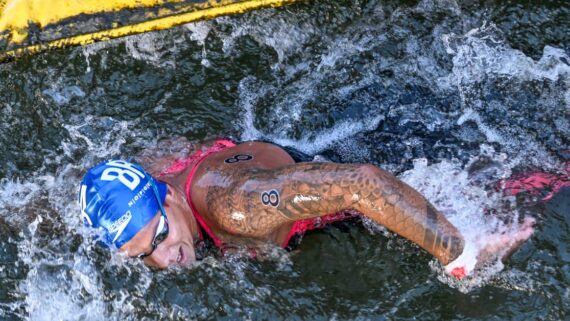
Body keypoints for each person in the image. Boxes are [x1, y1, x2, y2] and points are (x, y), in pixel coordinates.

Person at [79, 138, 535, 279]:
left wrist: (460, 253)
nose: (165, 256)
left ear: (170, 195)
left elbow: (362, 183)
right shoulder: (160, 175)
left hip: (402, 162)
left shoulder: (239, 209)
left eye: (160, 236)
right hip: (285, 159)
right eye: (144, 254)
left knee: (538, 174)